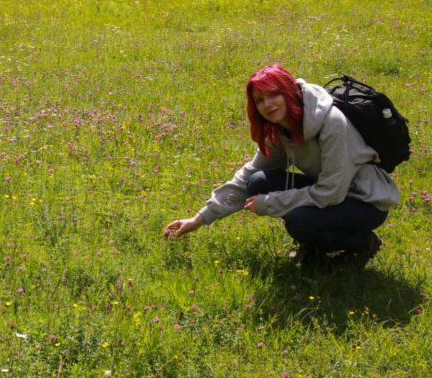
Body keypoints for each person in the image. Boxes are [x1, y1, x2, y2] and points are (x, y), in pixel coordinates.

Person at [162, 64, 399, 269]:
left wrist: (271, 203)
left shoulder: (332, 124)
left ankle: (363, 243)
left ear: (288, 92)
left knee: (299, 221)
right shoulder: (280, 128)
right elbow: (249, 175)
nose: (267, 105)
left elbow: (331, 192)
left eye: (273, 95)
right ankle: (315, 245)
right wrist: (199, 218)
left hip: (365, 201)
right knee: (258, 183)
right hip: (333, 193)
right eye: (259, 100)